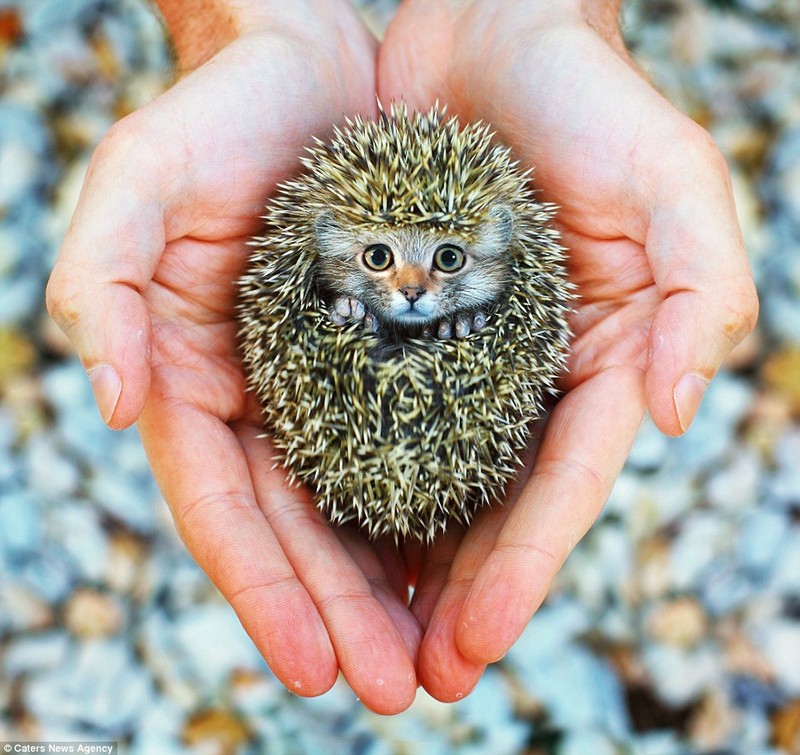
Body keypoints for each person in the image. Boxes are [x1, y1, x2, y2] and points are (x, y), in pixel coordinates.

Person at [46, 0, 758, 715]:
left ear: (500, 243)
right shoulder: (315, 280)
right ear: (325, 245)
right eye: (379, 257)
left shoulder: (496, 279)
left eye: (450, 259)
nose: (412, 287)